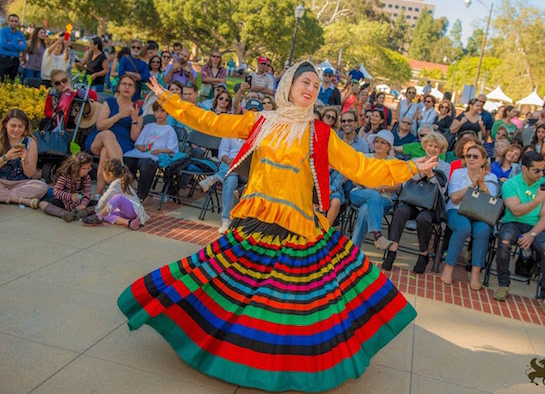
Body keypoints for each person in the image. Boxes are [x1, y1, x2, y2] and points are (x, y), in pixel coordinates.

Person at [119, 62, 438, 392]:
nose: (311, 88)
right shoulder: (261, 122)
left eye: (316, 84)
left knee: (286, 303)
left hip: (296, 226)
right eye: (305, 81)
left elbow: (362, 167)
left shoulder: (320, 133)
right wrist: (170, 100)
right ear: (288, 84)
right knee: (232, 287)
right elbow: (212, 122)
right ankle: (225, 350)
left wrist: (409, 167)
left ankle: (275, 363)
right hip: (256, 220)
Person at [493, 151, 545, 318]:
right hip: (513, 222)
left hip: (537, 227)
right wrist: (537, 200)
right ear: (524, 168)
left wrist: (532, 234)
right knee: (505, 239)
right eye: (537, 170)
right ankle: (503, 284)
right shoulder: (510, 184)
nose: (541, 174)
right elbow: (515, 210)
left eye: (543, 170)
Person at [384, 132, 450, 273]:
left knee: (423, 219)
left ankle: (423, 254)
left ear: (441, 150)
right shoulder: (416, 160)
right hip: (412, 200)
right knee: (401, 211)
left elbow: (443, 190)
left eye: (436, 147)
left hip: (431, 206)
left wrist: (431, 175)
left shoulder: (445, 166)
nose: (432, 149)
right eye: (430, 145)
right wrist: (420, 173)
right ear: (424, 146)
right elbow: (406, 181)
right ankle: (392, 251)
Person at [440, 144, 499, 290]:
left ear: (483, 160)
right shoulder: (458, 173)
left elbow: (491, 202)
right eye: (468, 156)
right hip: (457, 210)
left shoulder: (491, 177)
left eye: (475, 156)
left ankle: (475, 274)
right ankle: (448, 268)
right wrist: (472, 185)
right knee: (463, 228)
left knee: (483, 231)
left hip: (480, 214)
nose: (471, 159)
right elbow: (454, 198)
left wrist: (482, 184)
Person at [84, 75, 144, 194]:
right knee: (108, 134)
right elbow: (100, 125)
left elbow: (134, 137)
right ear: (119, 87)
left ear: (134, 90)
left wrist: (134, 119)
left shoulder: (138, 110)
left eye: (130, 85)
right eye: (124, 84)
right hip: (99, 138)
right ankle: (122, 174)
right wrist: (119, 115)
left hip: (122, 144)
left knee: (105, 152)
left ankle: (98, 194)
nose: (127, 87)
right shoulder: (110, 102)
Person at [0, 109, 48, 208]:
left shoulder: (30, 142)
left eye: (20, 126)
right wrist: (6, 157)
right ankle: (21, 200)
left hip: (20, 183)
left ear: (25, 127)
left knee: (42, 187)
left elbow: (30, 173)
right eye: (13, 126)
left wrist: (24, 160)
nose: (16, 130)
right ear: (6, 124)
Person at [349, 129, 399, 249]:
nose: (378, 144)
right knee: (373, 194)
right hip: (360, 193)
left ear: (389, 147)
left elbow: (397, 186)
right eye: (377, 141)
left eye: (382, 142)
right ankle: (377, 236)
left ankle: (353, 250)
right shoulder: (365, 158)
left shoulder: (394, 162)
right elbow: (355, 179)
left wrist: (382, 188)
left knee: (365, 209)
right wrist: (370, 187)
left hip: (384, 199)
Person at [123, 102, 178, 201]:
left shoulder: (170, 130)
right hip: (142, 152)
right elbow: (139, 141)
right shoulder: (149, 126)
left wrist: (160, 150)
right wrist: (139, 146)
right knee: (128, 160)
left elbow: (172, 149)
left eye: (162, 111)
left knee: (146, 164)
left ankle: (141, 195)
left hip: (155, 155)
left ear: (167, 113)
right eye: (156, 111)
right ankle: (126, 189)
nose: (159, 114)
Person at [82, 159, 148, 229]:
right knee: (107, 213)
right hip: (128, 213)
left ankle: (98, 217)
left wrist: (96, 210)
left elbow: (105, 198)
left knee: (117, 198)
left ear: (110, 174)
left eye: (103, 174)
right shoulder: (121, 180)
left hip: (135, 210)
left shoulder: (117, 183)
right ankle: (128, 222)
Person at [39, 152, 97, 222]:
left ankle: (83, 212)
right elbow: (56, 191)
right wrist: (70, 196)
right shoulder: (64, 176)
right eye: (84, 169)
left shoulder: (86, 177)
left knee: (101, 204)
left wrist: (83, 204)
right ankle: (65, 214)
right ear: (74, 167)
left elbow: (87, 193)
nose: (86, 172)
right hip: (64, 202)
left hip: (79, 203)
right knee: (42, 203)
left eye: (88, 169)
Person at [0, 14, 26, 81]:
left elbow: (23, 47)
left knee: (11, 82)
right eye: (12, 21)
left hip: (15, 60)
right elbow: (4, 44)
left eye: (16, 21)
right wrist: (17, 45)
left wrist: (11, 43)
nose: (14, 23)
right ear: (8, 21)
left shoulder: (20, 34)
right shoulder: (3, 31)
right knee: (0, 80)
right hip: (4, 59)